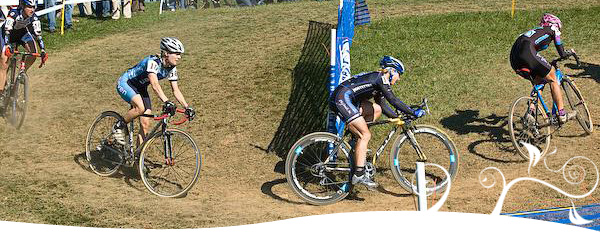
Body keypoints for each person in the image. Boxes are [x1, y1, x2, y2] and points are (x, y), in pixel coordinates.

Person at [329, 56, 426, 189]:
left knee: (377, 109)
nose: (399, 78)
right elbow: (393, 100)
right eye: (399, 74)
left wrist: (399, 118)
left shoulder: (378, 82)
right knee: (366, 135)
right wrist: (412, 112)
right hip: (342, 98)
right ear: (391, 71)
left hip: (348, 99)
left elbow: (384, 106)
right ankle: (359, 174)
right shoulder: (380, 78)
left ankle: (356, 143)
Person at [113, 37, 196, 145]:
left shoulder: (172, 68)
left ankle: (137, 157)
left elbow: (176, 90)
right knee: (140, 108)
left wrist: (186, 106)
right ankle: (118, 126)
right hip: (127, 83)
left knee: (145, 123)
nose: (179, 57)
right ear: (166, 53)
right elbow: (155, 85)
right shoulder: (153, 62)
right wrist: (166, 101)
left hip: (141, 88)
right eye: (176, 53)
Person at [509, 13, 575, 124]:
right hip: (527, 52)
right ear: (554, 24)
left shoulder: (535, 31)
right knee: (553, 77)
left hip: (514, 58)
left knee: (539, 80)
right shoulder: (552, 28)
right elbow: (562, 52)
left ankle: (530, 112)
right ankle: (562, 114)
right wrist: (569, 53)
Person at [0, 0, 48, 103]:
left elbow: (38, 35)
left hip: (22, 34)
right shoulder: (14, 13)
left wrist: (43, 50)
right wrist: (8, 45)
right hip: (8, 34)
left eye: (34, 7)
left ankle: (22, 73)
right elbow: (7, 31)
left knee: (33, 53)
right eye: (29, 7)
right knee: (4, 61)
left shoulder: (34, 17)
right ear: (22, 6)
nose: (32, 10)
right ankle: (1, 92)